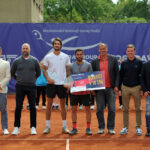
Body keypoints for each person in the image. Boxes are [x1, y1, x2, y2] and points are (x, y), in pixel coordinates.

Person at [11, 43, 41, 135]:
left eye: (26, 48)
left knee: (32, 107)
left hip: (32, 86)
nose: (25, 50)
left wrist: (32, 79)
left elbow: (38, 73)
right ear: (21, 50)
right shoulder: (16, 61)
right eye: (23, 48)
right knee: (18, 107)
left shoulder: (34, 60)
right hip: (20, 86)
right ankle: (16, 127)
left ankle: (33, 127)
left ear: (29, 49)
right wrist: (19, 79)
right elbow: (12, 73)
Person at [43, 37, 70, 134]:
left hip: (62, 84)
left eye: (58, 44)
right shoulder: (48, 57)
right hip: (52, 84)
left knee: (63, 105)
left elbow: (68, 71)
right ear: (53, 45)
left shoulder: (66, 56)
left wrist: (67, 82)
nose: (57, 45)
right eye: (55, 44)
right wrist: (48, 79)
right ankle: (47, 127)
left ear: (61, 45)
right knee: (49, 105)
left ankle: (64, 127)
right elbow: (44, 70)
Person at [91, 43, 119, 135]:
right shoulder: (94, 61)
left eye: (104, 49)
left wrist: (116, 86)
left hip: (111, 88)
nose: (102, 51)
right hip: (99, 89)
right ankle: (101, 127)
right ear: (98, 50)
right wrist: (93, 88)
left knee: (111, 109)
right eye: (100, 49)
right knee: (99, 109)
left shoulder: (113, 59)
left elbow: (117, 73)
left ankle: (110, 128)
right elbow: (92, 75)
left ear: (107, 49)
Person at [119, 44, 142, 135]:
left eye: (132, 51)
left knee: (138, 109)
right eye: (128, 51)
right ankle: (125, 127)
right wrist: (120, 88)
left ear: (134, 52)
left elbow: (142, 76)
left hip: (137, 87)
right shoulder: (124, 63)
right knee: (125, 109)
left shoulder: (139, 63)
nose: (130, 52)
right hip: (125, 87)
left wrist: (142, 88)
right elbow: (121, 77)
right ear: (126, 52)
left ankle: (138, 127)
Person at [69, 49, 93, 135]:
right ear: (75, 55)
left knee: (88, 109)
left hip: (85, 92)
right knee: (74, 109)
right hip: (75, 92)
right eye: (78, 54)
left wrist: (90, 88)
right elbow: (70, 78)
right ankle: (74, 128)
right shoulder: (71, 66)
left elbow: (91, 77)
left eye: (80, 54)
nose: (79, 56)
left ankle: (88, 128)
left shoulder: (88, 65)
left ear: (83, 55)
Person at [0, 47, 11, 135]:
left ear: (1, 52)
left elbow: (8, 76)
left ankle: (5, 128)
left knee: (3, 109)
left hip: (2, 90)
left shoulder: (6, 63)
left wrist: (0, 85)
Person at [141, 49, 150, 136]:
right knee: (148, 112)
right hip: (148, 93)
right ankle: (149, 129)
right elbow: (142, 79)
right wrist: (144, 90)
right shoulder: (145, 65)